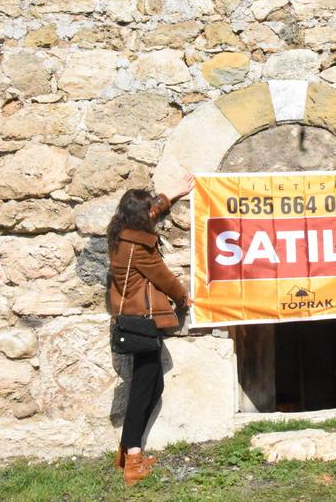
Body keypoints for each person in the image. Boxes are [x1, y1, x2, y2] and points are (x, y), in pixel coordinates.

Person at [107, 175, 194, 485]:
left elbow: (150, 211)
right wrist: (183, 296)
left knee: (152, 386)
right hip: (141, 321)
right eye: (147, 211)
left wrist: (171, 193)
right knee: (145, 389)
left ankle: (127, 452)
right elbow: (163, 277)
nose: (151, 215)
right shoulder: (138, 247)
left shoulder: (119, 232)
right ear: (138, 217)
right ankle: (132, 458)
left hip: (135, 320)